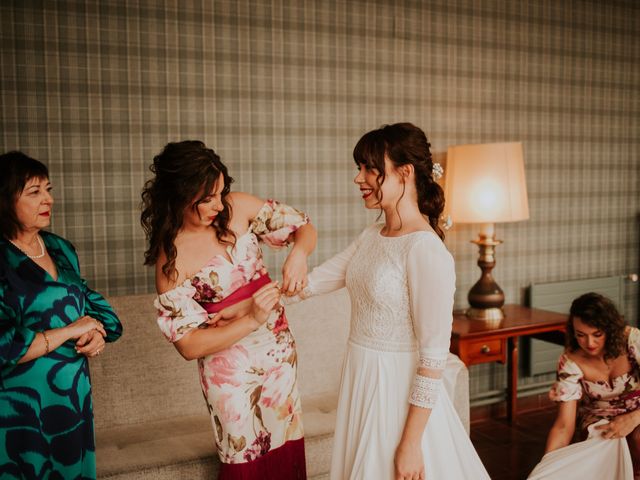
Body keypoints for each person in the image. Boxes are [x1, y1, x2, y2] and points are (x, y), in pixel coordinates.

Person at [287, 123, 490, 479]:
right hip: (361, 380)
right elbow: (310, 283)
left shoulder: (426, 250)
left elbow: (433, 358)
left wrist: (410, 445)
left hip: (398, 391)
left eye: (369, 168)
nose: (358, 178)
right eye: (359, 168)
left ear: (404, 172)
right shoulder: (371, 236)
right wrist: (263, 294)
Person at [141, 140, 316, 479]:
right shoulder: (170, 260)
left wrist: (299, 255)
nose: (218, 205)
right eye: (207, 198)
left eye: (220, 192)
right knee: (245, 456)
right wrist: (251, 317)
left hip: (279, 353)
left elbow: (304, 228)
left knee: (286, 442)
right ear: (179, 196)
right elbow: (188, 346)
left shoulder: (237, 208)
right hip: (230, 370)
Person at [0, 151, 123, 479]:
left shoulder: (60, 248)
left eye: (48, 189)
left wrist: (96, 332)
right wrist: (69, 332)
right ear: (5, 199)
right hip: (21, 404)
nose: (48, 199)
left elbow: (95, 309)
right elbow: (4, 344)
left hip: (73, 397)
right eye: (34, 192)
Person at [528, 292, 640, 479]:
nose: (589, 343)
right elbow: (564, 425)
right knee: (601, 448)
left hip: (638, 410)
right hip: (598, 419)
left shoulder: (633, 340)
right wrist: (546, 466)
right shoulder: (570, 361)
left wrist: (633, 418)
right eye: (581, 335)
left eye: (597, 334)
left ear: (610, 329)